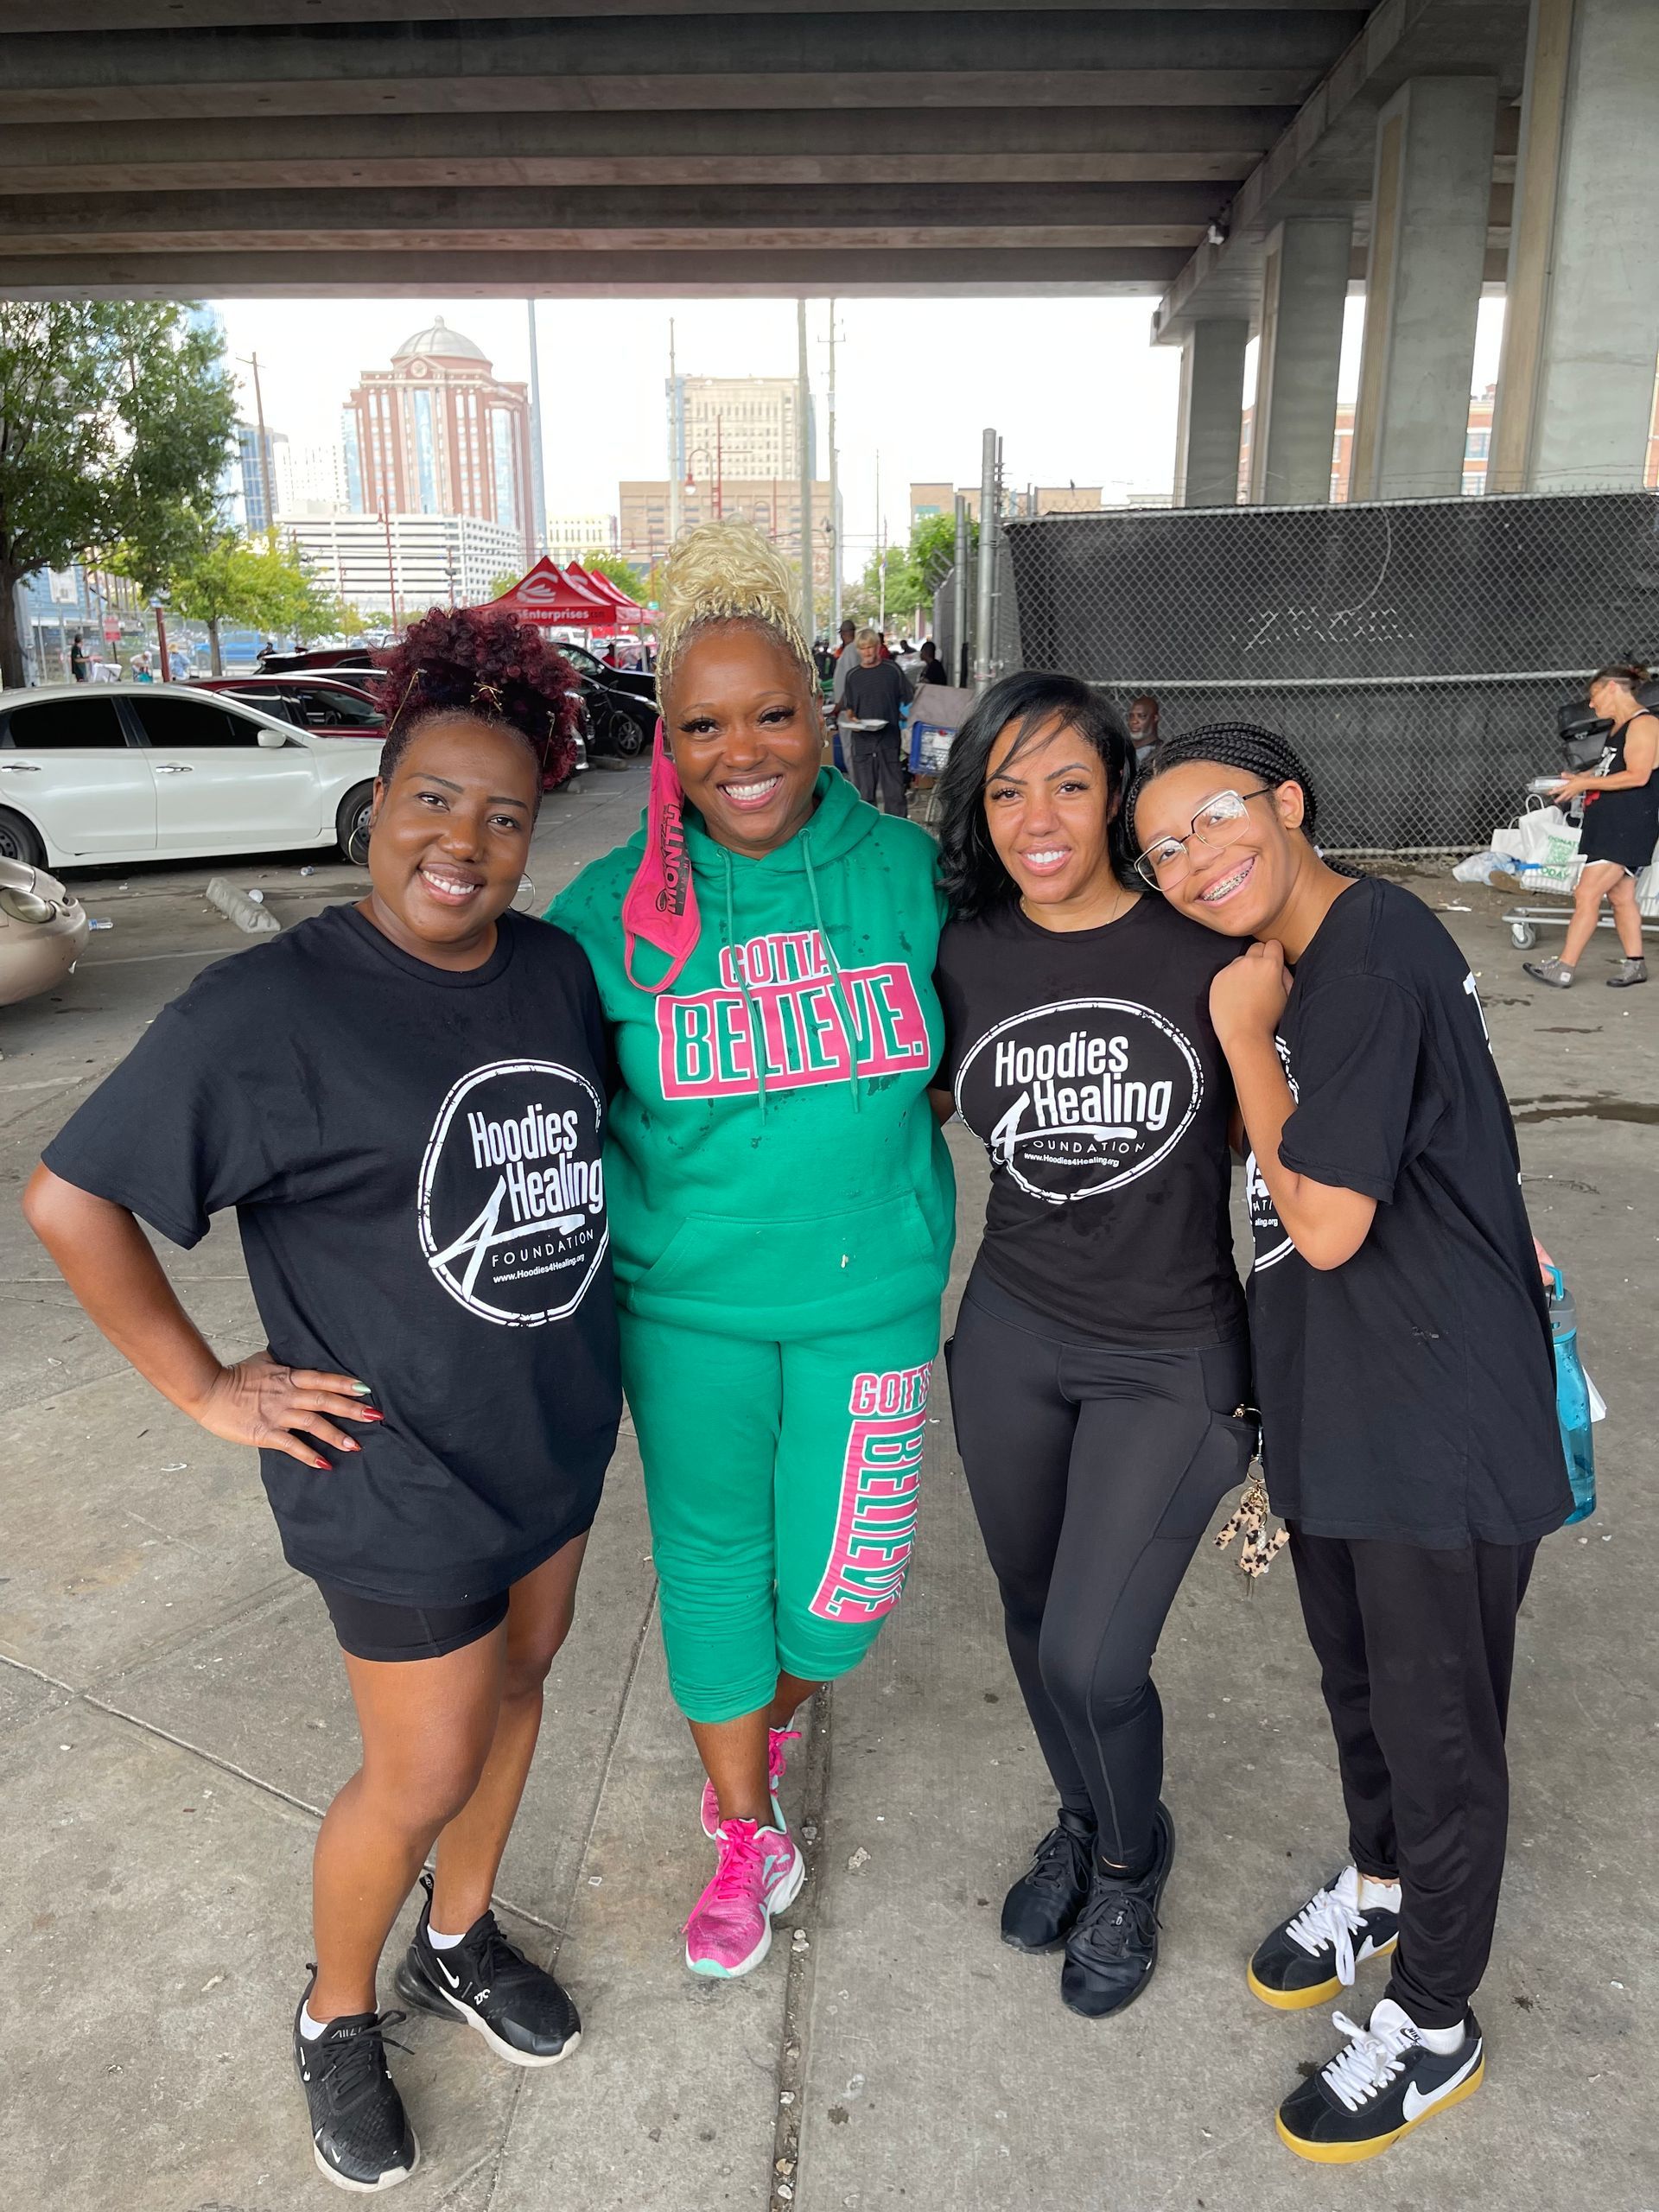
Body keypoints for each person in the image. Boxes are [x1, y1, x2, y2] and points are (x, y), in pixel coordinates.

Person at [24, 607, 616, 2194]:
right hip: (389, 1465)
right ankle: (336, 2009)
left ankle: (463, 1933)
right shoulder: (264, 1010)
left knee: (524, 1683)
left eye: (503, 817)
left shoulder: (555, 973)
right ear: (378, 798)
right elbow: (74, 1199)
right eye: (433, 799)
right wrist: (210, 1389)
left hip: (552, 1426)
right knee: (417, 1766)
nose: (463, 842)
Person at [1132, 725, 1569, 2164]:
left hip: (1433, 1426)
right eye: (1165, 850)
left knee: (1437, 1736)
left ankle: (1433, 2025)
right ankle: (1381, 1885)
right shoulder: (1323, 961)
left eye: (1215, 818)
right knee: (1364, 1686)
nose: (1194, 859)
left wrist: (1245, 1045)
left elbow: (1322, 1218)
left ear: (1292, 804)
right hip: (1349, 1405)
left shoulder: (1366, 953)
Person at [550, 520, 954, 1981]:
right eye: (706, 724)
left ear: (820, 712)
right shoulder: (607, 917)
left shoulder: (912, 876)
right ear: (670, 741)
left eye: (772, 713)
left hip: (872, 1304)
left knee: (841, 1593)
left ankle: (761, 1709)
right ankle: (741, 1822)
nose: (745, 750)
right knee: (714, 1570)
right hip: (688, 1314)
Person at [931, 673, 1252, 2020]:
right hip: (1010, 1330)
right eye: (1006, 788)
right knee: (1029, 1610)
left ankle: (1129, 1862)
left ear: (1119, 791)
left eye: (1068, 781)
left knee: (1093, 1656)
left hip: (1169, 1351)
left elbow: (1305, 1135)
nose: (1038, 815)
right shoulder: (963, 951)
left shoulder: (1205, 946)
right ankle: (1084, 1811)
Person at [1523, 659, 1656, 988]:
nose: (1592, 703)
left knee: (1586, 892)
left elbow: (1638, 776)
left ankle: (1564, 967)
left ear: (1613, 687)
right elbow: (1612, 770)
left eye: (1594, 695)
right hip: (1612, 821)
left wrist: (1583, 785)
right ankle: (1635, 965)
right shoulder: (1619, 727)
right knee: (1621, 896)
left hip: (1628, 823)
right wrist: (1580, 778)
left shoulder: (1644, 725)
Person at [839, 625, 913, 817]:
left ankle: (898, 832)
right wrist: (852, 720)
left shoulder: (892, 670)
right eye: (863, 648)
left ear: (878, 646)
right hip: (862, 742)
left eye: (871, 647)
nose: (867, 652)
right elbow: (850, 710)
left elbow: (908, 699)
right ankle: (870, 836)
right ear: (858, 650)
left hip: (889, 740)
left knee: (895, 793)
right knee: (865, 794)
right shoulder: (853, 676)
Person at [830, 615, 859, 708]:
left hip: (846, 700)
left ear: (844, 634)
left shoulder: (850, 649)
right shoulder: (854, 648)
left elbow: (850, 677)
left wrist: (842, 700)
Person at [1127, 694, 1160, 772]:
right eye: (1131, 716)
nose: (1134, 721)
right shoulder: (1123, 750)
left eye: (1142, 716)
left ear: (1155, 718)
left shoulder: (1161, 752)